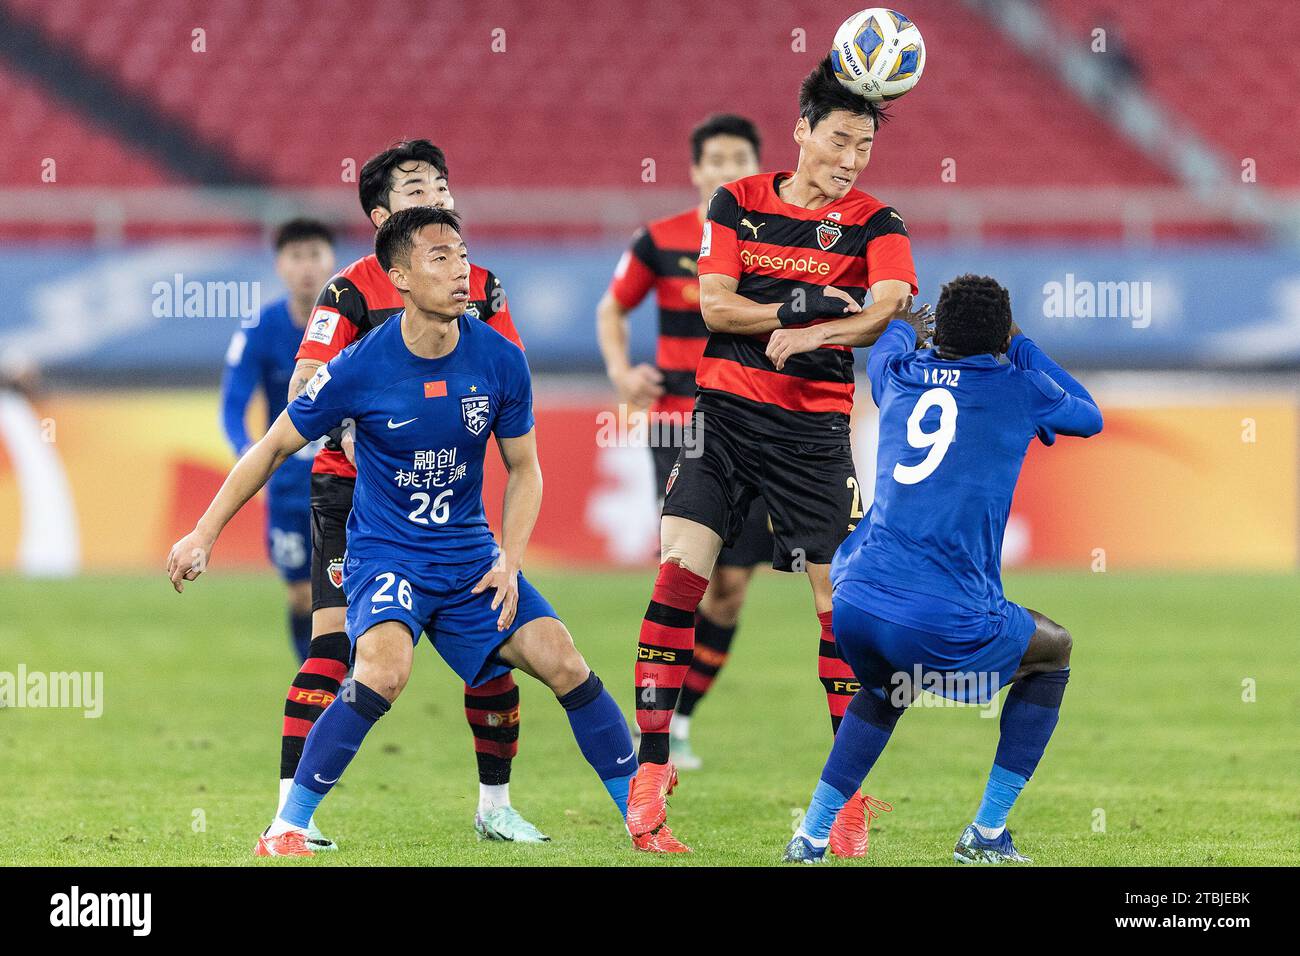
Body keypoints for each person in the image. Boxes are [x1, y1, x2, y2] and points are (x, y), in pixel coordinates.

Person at [167, 206, 638, 857]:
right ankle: (287, 827)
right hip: (387, 556)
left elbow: (526, 469)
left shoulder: (500, 359)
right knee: (384, 670)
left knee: (564, 660)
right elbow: (274, 445)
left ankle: (644, 822)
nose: (460, 267)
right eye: (439, 257)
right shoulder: (359, 367)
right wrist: (203, 532)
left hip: (471, 557)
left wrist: (511, 560)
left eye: (462, 253)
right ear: (401, 277)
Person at [626, 56, 922, 854]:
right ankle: (651, 770)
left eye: (863, 145)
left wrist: (819, 330)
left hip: (815, 440)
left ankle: (847, 797)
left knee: (845, 611)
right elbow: (712, 300)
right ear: (801, 134)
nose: (851, 159)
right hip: (722, 425)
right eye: (838, 140)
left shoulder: (877, 221)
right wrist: (813, 304)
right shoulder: (740, 203)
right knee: (678, 575)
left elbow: (891, 307)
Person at [784, 275, 1103, 864]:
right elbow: (1090, 416)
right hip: (939, 614)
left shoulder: (900, 375)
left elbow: (885, 344)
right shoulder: (1018, 386)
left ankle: (812, 834)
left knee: (884, 689)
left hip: (854, 600)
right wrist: (1023, 346)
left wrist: (905, 320)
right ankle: (985, 834)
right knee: (1053, 648)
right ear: (1000, 335)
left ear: (941, 330)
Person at [280, 140, 541, 849]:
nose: (434, 195)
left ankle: (495, 806)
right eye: (415, 186)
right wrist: (346, 425)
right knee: (334, 650)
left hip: (450, 506)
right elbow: (307, 382)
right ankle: (290, 815)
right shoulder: (348, 290)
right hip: (353, 500)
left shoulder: (480, 285)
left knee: (494, 653)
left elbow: (502, 371)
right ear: (380, 215)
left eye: (441, 184)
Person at [596, 113, 766, 770]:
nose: (727, 169)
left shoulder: (777, 247)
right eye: (715, 159)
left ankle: (684, 719)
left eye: (739, 158)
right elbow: (612, 308)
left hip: (757, 424)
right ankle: (656, 726)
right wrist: (618, 371)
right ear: (696, 170)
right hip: (679, 422)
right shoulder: (659, 241)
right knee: (686, 571)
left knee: (731, 588)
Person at [219, 218, 335, 661]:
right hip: (288, 486)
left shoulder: (356, 324)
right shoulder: (260, 328)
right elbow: (232, 405)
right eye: (296, 256)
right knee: (303, 597)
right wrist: (246, 451)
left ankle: (347, 691)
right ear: (280, 265)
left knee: (346, 597)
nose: (306, 267)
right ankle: (314, 685)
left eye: (315, 254)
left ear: (331, 260)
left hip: (347, 478)